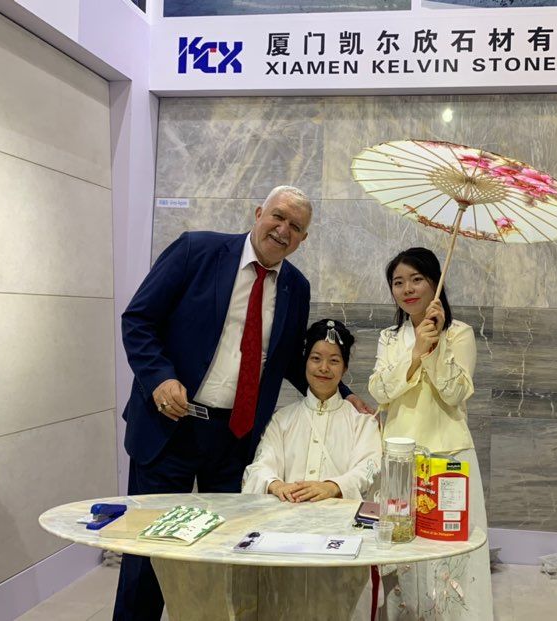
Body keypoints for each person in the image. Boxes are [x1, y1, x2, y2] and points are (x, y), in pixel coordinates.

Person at [114, 186, 370, 621]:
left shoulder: (296, 287)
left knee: (229, 552)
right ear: (258, 213)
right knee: (148, 551)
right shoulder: (196, 251)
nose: (283, 230)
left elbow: (291, 358)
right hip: (169, 426)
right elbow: (139, 319)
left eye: (296, 226)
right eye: (278, 217)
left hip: (234, 438)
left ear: (304, 239)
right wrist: (160, 378)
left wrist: (346, 396)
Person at [368, 247, 493, 620]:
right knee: (402, 550)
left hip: (447, 458)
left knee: (447, 555)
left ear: (435, 282)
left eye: (416, 279)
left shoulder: (460, 333)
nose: (407, 289)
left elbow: (455, 393)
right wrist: (414, 354)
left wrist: (434, 348)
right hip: (400, 460)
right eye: (398, 282)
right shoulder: (390, 337)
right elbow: (379, 391)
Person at [243, 319, 381, 502]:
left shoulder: (362, 423)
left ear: (345, 368)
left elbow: (370, 468)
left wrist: (333, 486)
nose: (324, 368)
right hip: (287, 514)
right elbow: (259, 467)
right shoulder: (282, 419)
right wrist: (277, 485)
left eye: (334, 361)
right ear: (305, 363)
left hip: (340, 518)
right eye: (316, 358)